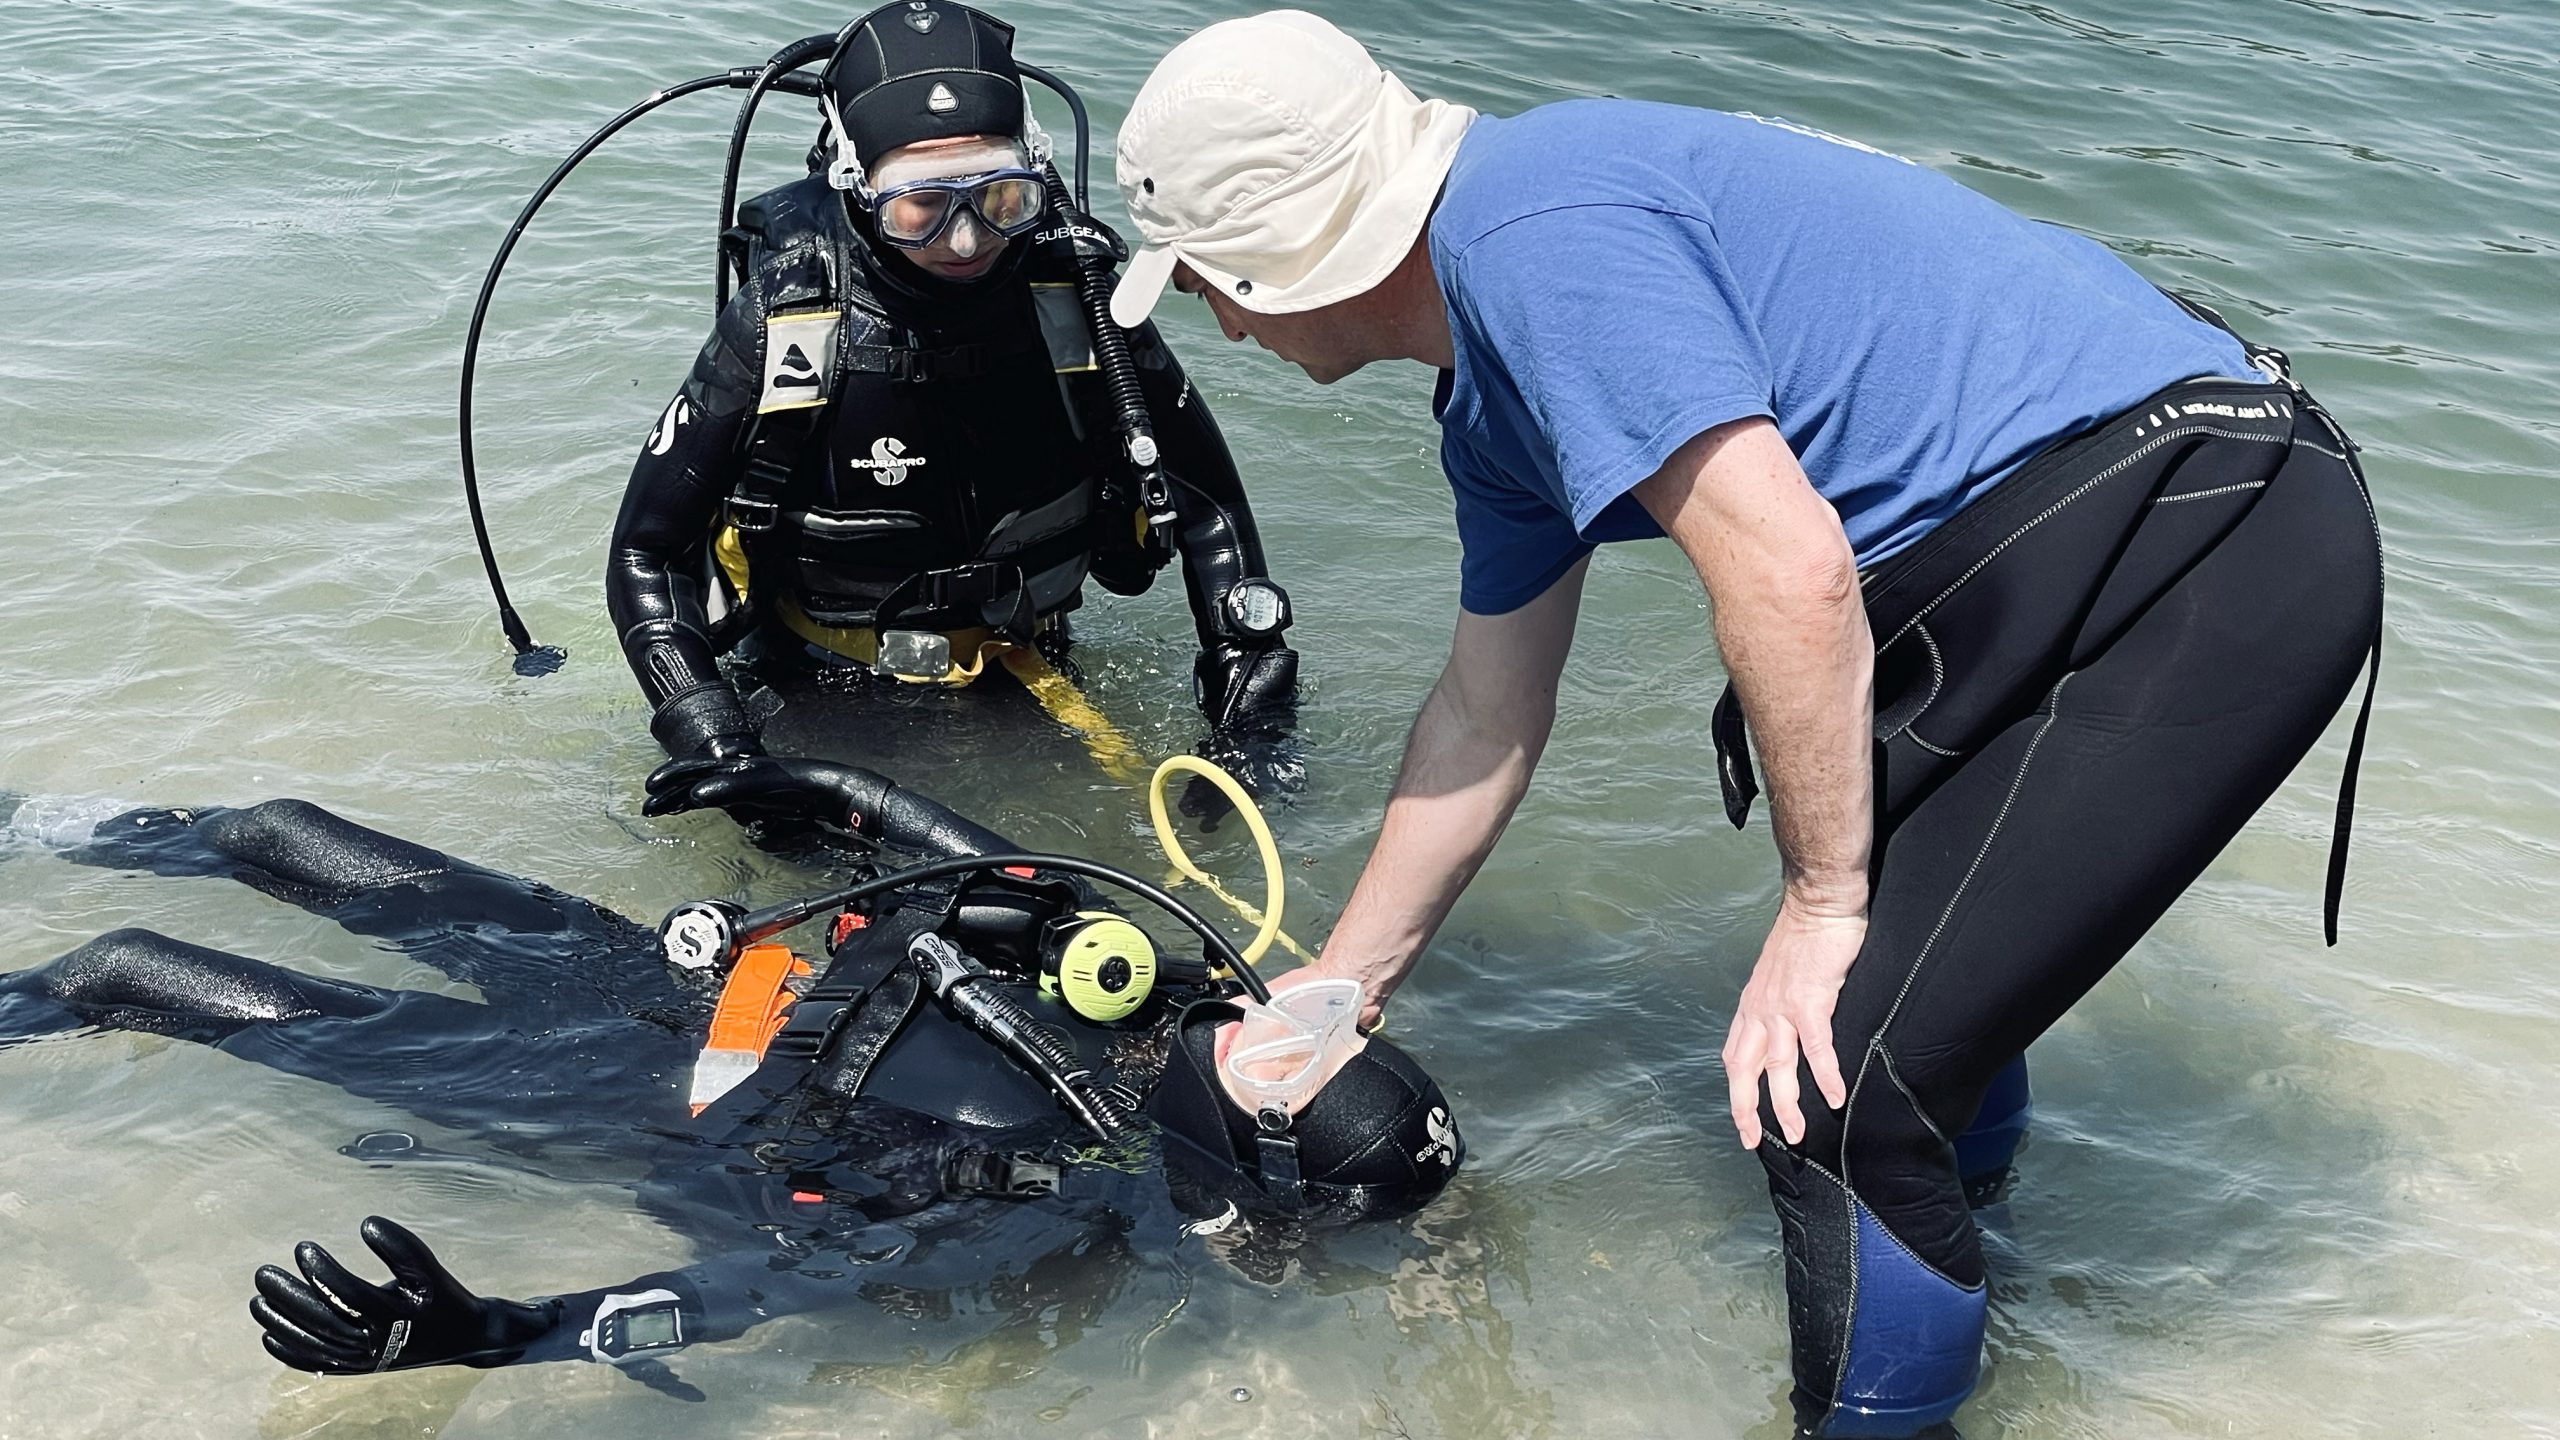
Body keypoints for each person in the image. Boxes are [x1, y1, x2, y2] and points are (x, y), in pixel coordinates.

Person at [1104, 13, 2383, 1438]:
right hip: (2077, 549)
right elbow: (1485, 706)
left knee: (1839, 1089)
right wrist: (1338, 989)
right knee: (1906, 1053)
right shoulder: (1496, 381)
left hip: (2201, 541)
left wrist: (1824, 899)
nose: (1222, 323)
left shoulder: (1535, 236)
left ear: (1286, 250)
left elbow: (1788, 569)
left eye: (1215, 281)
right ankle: (1990, 1284)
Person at [0, 782, 1460, 1379]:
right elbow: (965, 867)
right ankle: (47, 838)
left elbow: (760, 1295)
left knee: (172, 935)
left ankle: (38, 916)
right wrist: (807, 784)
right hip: (662, 997)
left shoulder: (1082, 1112)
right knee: (258, 851)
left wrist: (497, 1331)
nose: (1278, 1023)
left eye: (1295, 1057)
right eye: (1316, 1023)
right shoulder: (1121, 1073)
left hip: (641, 1042)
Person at [613, 2, 1301, 833]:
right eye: (919, 207)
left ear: (1034, 173)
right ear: (854, 182)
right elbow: (649, 553)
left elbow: (1211, 514)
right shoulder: (790, 320)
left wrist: (1249, 717)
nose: (968, 240)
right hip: (818, 692)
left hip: (1034, 670)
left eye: (1001, 196)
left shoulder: (1077, 301)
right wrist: (711, 735)